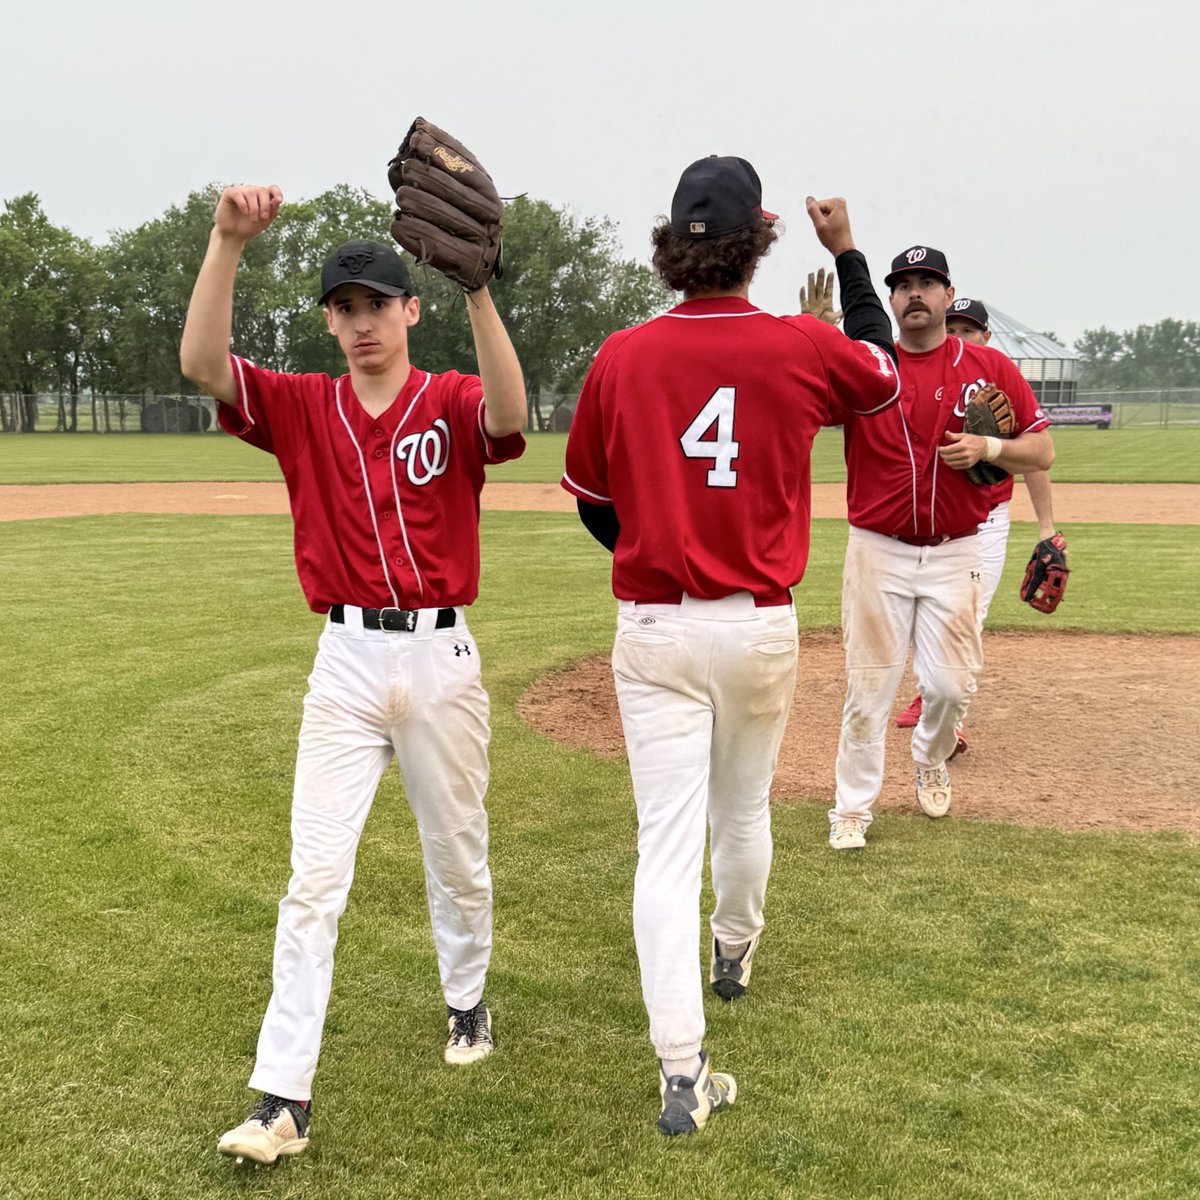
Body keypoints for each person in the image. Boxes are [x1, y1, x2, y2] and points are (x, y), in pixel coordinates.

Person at [179, 185, 527, 1164]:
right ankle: (282, 1098)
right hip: (344, 660)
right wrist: (226, 242)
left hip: (440, 655)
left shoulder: (449, 398)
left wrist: (482, 294)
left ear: (409, 310)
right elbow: (203, 363)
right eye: (345, 306)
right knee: (313, 881)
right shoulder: (301, 405)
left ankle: (467, 1004)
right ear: (329, 319)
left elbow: (511, 415)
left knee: (456, 858)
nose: (362, 320)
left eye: (378, 302)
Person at [562, 156, 900, 1134]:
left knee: (663, 845)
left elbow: (592, 499)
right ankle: (733, 952)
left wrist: (652, 546)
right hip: (756, 618)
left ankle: (682, 1070)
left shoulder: (620, 354)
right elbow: (881, 371)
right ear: (758, 238)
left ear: (675, 242)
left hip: (656, 623)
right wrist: (848, 257)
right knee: (742, 807)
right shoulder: (799, 342)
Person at [827, 248, 1053, 851]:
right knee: (868, 688)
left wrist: (990, 449)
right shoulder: (868, 367)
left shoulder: (988, 366)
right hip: (877, 549)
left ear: (949, 295)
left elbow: (1042, 452)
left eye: (928, 283)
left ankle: (930, 754)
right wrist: (821, 338)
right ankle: (851, 808)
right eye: (904, 285)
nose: (916, 293)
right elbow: (807, 406)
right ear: (892, 300)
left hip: (956, 549)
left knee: (952, 688)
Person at [894, 297, 1060, 732]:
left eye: (968, 329)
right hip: (932, 523)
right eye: (952, 328)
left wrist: (1046, 528)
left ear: (986, 336)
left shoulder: (999, 383)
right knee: (926, 618)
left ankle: (951, 715)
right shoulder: (932, 378)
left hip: (985, 521)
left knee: (967, 617)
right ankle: (930, 690)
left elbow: (1034, 460)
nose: (958, 336)